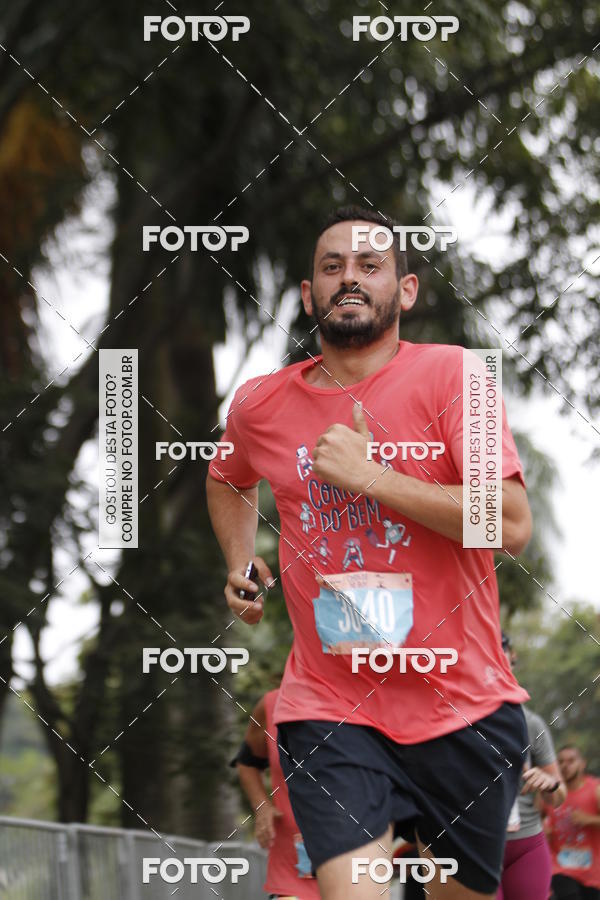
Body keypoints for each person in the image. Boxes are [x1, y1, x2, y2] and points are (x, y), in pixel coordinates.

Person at [206, 205, 533, 899]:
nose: (348, 278)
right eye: (332, 267)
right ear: (309, 294)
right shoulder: (260, 404)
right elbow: (227, 478)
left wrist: (374, 478)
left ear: (405, 291)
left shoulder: (458, 377)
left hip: (463, 708)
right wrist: (239, 561)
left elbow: (509, 523)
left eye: (369, 265)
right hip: (330, 708)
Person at [231, 687, 320, 900]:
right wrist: (262, 806)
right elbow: (247, 763)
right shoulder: (272, 704)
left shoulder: (365, 700)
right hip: (293, 868)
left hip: (354, 864)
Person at [496, 633, 566, 900]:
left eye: (507, 663)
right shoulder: (458, 721)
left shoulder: (532, 723)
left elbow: (558, 798)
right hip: (477, 844)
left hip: (526, 845)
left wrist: (549, 785)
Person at [545, 744, 600, 899]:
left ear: (582, 764)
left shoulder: (595, 790)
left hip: (592, 872)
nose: (565, 766)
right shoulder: (551, 793)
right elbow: (536, 818)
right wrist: (542, 830)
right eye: (560, 761)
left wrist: (590, 819)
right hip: (560, 868)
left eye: (571, 761)